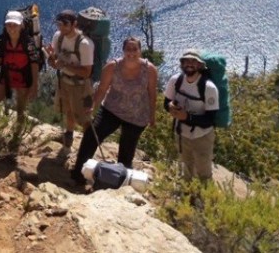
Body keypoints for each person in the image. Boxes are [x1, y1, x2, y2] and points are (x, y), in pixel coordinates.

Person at [71, 36, 157, 185]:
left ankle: (119, 182)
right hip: (112, 110)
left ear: (140, 51)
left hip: (137, 116)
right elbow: (102, 89)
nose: (131, 52)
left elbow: (152, 94)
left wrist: (152, 116)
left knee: (127, 151)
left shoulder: (149, 70)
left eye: (134, 49)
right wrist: (93, 106)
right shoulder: (112, 67)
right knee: (92, 135)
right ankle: (79, 172)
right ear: (123, 50)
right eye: (128, 49)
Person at [164, 49, 219, 181]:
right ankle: (187, 198)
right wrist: (170, 107)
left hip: (202, 137)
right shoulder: (175, 81)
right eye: (186, 61)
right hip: (181, 134)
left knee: (203, 173)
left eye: (194, 61)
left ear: (200, 65)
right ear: (182, 63)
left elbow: (210, 120)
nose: (190, 64)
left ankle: (205, 200)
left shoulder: (208, 88)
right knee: (185, 170)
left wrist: (187, 117)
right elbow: (165, 103)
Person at [46, 9, 95, 148]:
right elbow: (55, 60)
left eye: (64, 25)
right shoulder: (58, 36)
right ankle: (68, 137)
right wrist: (51, 59)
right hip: (64, 81)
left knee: (84, 118)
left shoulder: (85, 44)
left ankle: (88, 145)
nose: (61, 28)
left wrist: (64, 65)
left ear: (74, 24)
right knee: (67, 110)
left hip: (80, 86)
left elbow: (86, 72)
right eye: (59, 24)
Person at [0, 10, 40, 115]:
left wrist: (34, 85)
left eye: (15, 25)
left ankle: (18, 129)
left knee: (20, 110)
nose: (11, 28)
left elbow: (34, 64)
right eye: (8, 25)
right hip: (5, 75)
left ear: (21, 26)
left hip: (23, 77)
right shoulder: (2, 40)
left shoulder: (28, 42)